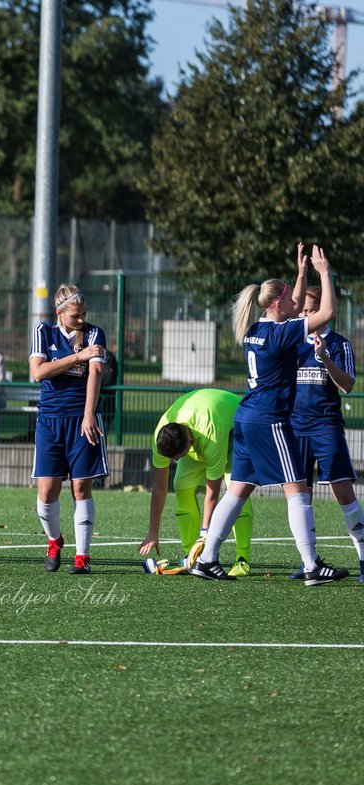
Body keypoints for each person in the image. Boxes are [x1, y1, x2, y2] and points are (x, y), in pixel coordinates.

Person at [189, 244, 349, 585]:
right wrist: (323, 272)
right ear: (279, 302)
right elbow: (327, 313)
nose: (297, 304)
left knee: (238, 490)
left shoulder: (255, 330)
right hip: (269, 419)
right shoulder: (280, 333)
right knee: (297, 489)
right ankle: (311, 566)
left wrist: (301, 273)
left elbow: (291, 311)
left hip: (246, 417)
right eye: (292, 298)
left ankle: (207, 559)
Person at [30, 284, 109, 574]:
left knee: (80, 487)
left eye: (84, 314)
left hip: (81, 419)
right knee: (47, 492)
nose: (81, 320)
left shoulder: (93, 334)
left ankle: (82, 557)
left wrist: (89, 414)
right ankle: (54, 540)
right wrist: (77, 357)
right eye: (75, 316)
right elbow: (38, 372)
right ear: (59, 313)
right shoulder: (44, 332)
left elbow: (96, 373)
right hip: (49, 419)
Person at [290, 283, 364, 582]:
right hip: (295, 428)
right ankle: (311, 562)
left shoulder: (339, 343)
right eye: (304, 311)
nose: (307, 316)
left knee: (343, 493)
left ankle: (363, 560)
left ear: (324, 311)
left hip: (326, 426)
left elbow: (347, 385)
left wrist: (325, 359)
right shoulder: (292, 343)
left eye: (312, 311)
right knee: (299, 496)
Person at [137, 389, 254, 576]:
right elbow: (159, 486)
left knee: (236, 490)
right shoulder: (163, 434)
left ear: (189, 443)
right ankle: (190, 554)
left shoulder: (211, 435)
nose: (175, 461)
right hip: (199, 429)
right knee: (181, 484)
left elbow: (212, 493)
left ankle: (242, 559)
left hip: (235, 431)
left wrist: (204, 533)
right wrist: (153, 531)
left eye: (179, 457)